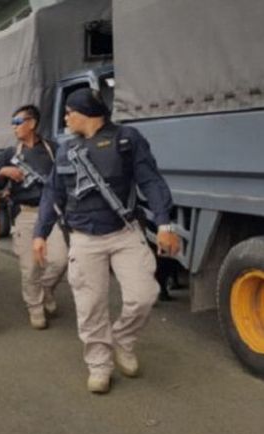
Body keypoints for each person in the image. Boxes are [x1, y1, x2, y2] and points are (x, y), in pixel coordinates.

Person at [32, 88, 180, 393]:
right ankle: (99, 365)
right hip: (84, 239)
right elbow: (52, 193)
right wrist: (40, 233)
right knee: (90, 306)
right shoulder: (64, 149)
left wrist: (165, 223)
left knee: (144, 295)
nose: (65, 117)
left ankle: (123, 340)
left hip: (124, 233)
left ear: (85, 113)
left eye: (69, 112)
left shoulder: (127, 139)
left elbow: (150, 180)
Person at [0, 104, 67, 330]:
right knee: (30, 267)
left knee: (60, 259)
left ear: (32, 124)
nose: (14, 127)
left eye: (18, 122)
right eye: (13, 123)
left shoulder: (53, 149)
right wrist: (2, 172)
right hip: (25, 214)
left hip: (51, 213)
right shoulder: (9, 154)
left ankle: (45, 289)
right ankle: (35, 307)